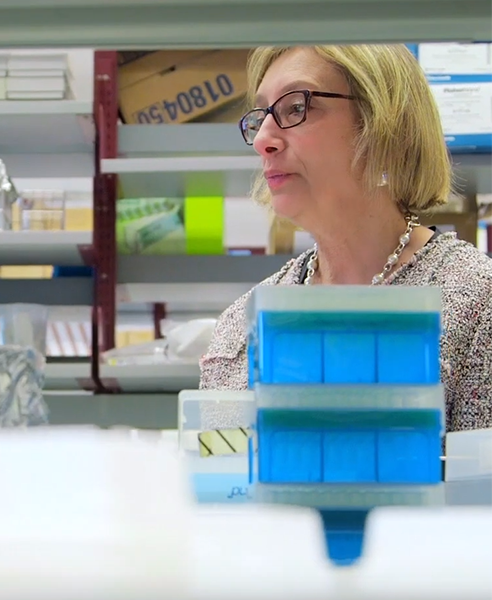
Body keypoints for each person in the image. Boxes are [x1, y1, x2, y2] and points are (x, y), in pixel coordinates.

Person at [199, 44, 492, 432]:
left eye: (296, 107)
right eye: (261, 115)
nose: (262, 140)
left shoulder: (478, 303)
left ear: (382, 123)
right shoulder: (241, 324)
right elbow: (218, 477)